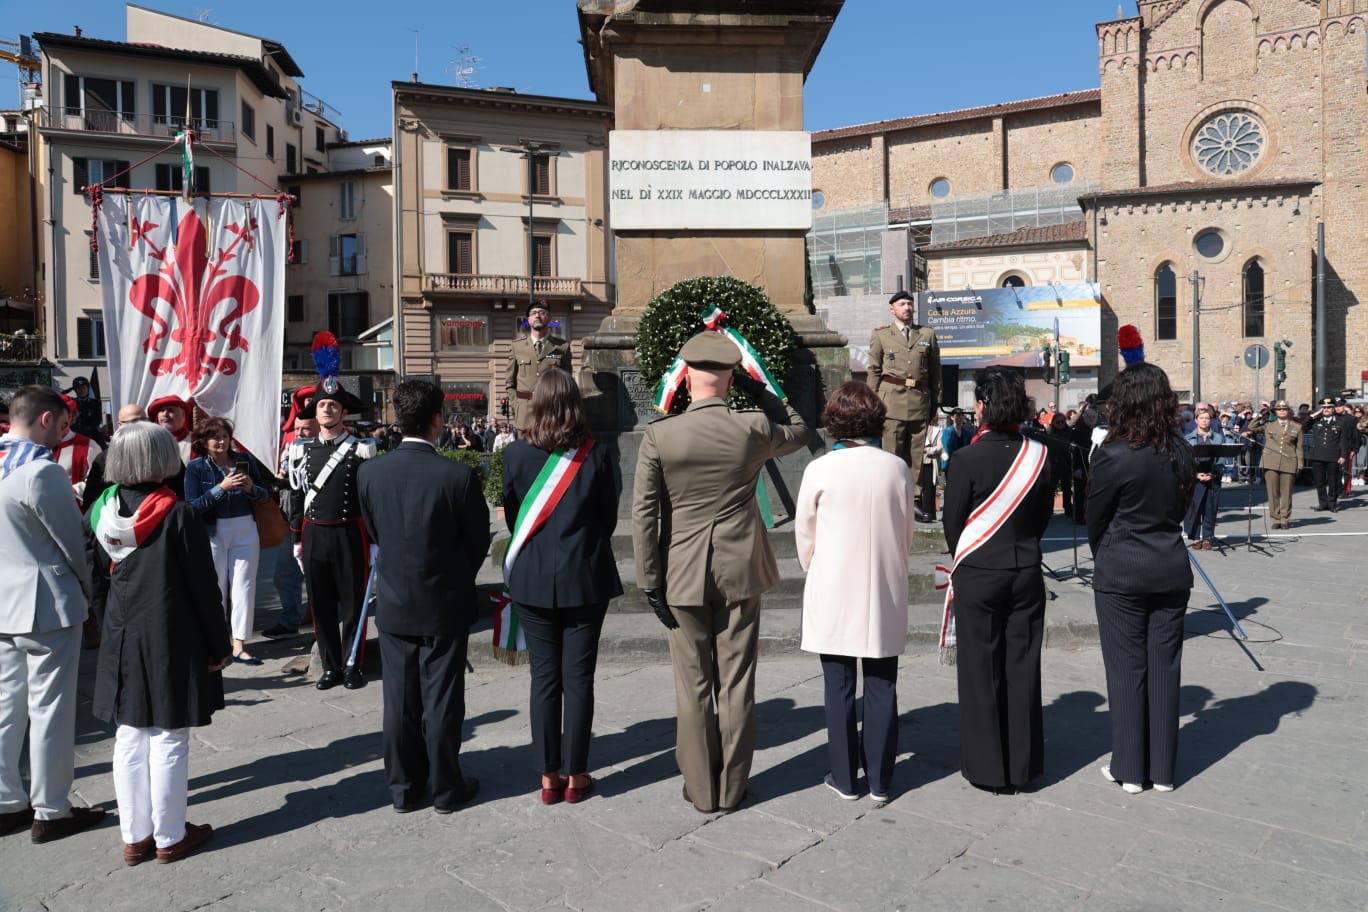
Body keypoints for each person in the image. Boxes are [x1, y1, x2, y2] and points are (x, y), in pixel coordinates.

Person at [632, 331, 811, 814]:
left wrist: (650, 580)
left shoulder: (660, 434)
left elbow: (644, 514)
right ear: (731, 382)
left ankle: (701, 790)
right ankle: (732, 789)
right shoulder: (752, 427)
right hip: (740, 568)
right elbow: (799, 430)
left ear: (687, 379)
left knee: (693, 687)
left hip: (681, 572)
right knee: (736, 682)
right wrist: (763, 393)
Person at [88, 421, 230, 863]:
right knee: (169, 734)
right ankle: (169, 836)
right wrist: (219, 645)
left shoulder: (99, 512)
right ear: (161, 458)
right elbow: (203, 588)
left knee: (129, 733)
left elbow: (96, 583)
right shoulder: (177, 514)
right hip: (172, 633)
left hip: (121, 631)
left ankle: (135, 837)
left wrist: (109, 628)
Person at [358, 379, 490, 814]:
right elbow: (477, 541)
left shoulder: (370, 472)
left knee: (398, 701)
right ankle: (446, 788)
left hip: (395, 597)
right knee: (442, 700)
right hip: (444, 599)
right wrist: (455, 576)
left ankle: (404, 787)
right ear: (437, 419)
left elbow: (375, 531)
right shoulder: (457, 475)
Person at [502, 369, 622, 805]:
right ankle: (576, 774)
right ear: (576, 404)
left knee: (544, 677)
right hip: (585, 577)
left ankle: (548, 777)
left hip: (533, 579)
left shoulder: (515, 453)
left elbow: (514, 518)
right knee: (579, 677)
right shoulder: (597, 453)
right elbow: (608, 518)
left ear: (536, 404)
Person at [795, 382, 914, 803]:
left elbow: (804, 534)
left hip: (834, 584)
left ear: (834, 421)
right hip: (882, 582)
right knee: (882, 683)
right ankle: (881, 780)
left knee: (839, 685)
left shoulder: (820, 469)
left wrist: (816, 566)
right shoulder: (896, 468)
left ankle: (845, 778)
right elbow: (906, 532)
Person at [940, 367, 1054, 793]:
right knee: (1022, 668)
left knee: (979, 670)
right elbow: (1042, 519)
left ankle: (988, 769)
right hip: (1025, 568)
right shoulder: (1039, 454)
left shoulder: (966, 459)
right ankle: (1022, 767)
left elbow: (953, 525)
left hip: (979, 571)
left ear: (984, 405)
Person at [0, 386, 105, 843]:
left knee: (6, 707)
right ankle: (52, 809)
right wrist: (91, 594)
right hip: (46, 603)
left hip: (4, 601)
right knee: (51, 711)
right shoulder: (42, 471)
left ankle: (6, 801)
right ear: (46, 419)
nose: (64, 434)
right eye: (63, 425)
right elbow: (73, 543)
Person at [1087, 359, 1195, 794]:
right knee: (1165, 668)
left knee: (1126, 669)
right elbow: (1182, 507)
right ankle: (1163, 771)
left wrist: (1105, 554)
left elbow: (1095, 517)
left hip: (1122, 569)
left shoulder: (1113, 454)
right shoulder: (1181, 449)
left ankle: (1130, 768)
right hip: (1171, 566)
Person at [288, 375, 376, 690]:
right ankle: (330, 666)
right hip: (314, 534)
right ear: (315, 411)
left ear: (343, 412)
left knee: (354, 603)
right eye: (322, 405)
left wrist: (375, 540)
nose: (327, 409)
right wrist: (297, 538)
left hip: (350, 534)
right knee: (320, 604)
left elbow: (370, 498)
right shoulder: (300, 451)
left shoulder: (362, 449)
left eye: (333, 405)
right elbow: (296, 497)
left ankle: (352, 664)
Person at [185, 417, 272, 665]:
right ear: (204, 441)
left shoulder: (245, 460)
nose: (221, 441)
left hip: (245, 528)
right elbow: (192, 507)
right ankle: (218, 643)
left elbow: (265, 495)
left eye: (224, 435)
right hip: (213, 531)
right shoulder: (195, 467)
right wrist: (221, 488)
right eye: (215, 437)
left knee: (244, 586)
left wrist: (251, 488)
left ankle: (239, 645)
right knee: (216, 589)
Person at [867, 290, 939, 522]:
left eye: (909, 303)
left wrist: (936, 402)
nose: (907, 307)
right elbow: (874, 370)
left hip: (919, 399)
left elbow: (935, 371)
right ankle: (889, 499)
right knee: (892, 453)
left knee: (916, 455)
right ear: (892, 309)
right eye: (902, 304)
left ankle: (914, 500)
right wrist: (871, 402)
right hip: (891, 402)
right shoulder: (881, 335)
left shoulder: (926, 334)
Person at [264, 413, 317, 639]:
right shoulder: (290, 450)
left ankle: (326, 627)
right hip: (291, 523)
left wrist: (286, 481)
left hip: (315, 523)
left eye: (306, 429)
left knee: (319, 577)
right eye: (297, 429)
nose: (300, 433)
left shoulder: (322, 451)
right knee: (284, 575)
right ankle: (290, 621)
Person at [506, 301, 572, 432]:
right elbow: (509, 383)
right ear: (528, 319)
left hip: (552, 411)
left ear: (549, 318)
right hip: (525, 414)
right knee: (525, 445)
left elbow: (567, 382)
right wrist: (517, 404)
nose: (537, 316)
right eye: (533, 313)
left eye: (542, 313)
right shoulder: (517, 346)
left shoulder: (562, 347)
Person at [1243, 401, 1302, 529]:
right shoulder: (1268, 425)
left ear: (1289, 411)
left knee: (1287, 493)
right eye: (1279, 409)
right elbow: (1251, 427)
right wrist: (1261, 414)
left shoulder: (1297, 427)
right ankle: (1275, 519)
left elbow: (1299, 448)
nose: (1282, 411)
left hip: (1289, 461)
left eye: (1284, 409)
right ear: (1275, 412)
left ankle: (1285, 519)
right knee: (1272, 492)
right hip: (1270, 461)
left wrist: (1300, 465)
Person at [1182, 407, 1231, 550]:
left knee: (1210, 508)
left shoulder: (1218, 437)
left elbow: (1221, 459)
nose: (1204, 421)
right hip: (1195, 477)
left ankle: (1208, 537)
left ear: (1211, 420)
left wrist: (1214, 474)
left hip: (1212, 475)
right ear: (1196, 420)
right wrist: (1195, 474)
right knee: (1194, 508)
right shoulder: (1188, 438)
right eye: (1201, 418)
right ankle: (1195, 537)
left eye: (1207, 418)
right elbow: (1185, 461)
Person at [1303, 397, 1351, 513]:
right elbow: (1303, 426)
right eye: (1324, 407)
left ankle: (1332, 503)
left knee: (1333, 481)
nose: (1326, 409)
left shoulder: (1340, 422)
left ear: (1333, 409)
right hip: (1317, 455)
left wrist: (1343, 455)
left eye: (1329, 407)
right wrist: (1315, 414)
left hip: (1333, 456)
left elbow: (1343, 441)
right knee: (1319, 481)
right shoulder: (1316, 421)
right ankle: (1323, 503)